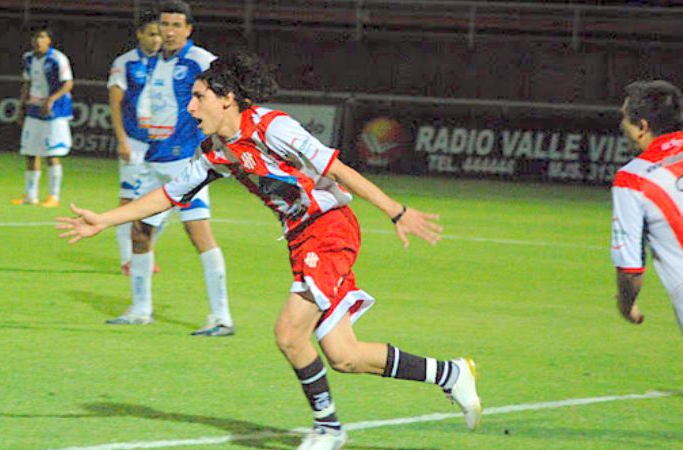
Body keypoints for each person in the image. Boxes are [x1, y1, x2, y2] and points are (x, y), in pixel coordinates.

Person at [57, 52, 482, 450]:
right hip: (301, 240)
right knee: (344, 355)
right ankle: (450, 373)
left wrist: (396, 211)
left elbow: (336, 169)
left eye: (199, 97)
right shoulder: (215, 152)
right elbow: (169, 194)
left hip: (329, 230)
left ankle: (328, 428)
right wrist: (105, 220)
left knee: (289, 334)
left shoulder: (272, 127)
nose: (190, 107)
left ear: (226, 99)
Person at [102, 0, 235, 337]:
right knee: (139, 232)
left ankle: (221, 317)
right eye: (165, 24)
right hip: (154, 159)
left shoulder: (199, 60)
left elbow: (230, 96)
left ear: (188, 29)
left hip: (186, 163)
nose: (170, 31)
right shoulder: (155, 62)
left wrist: (219, 141)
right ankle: (140, 310)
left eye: (177, 25)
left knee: (198, 234)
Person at [611, 79, 683, 334]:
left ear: (642, 127)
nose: (622, 124)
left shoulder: (633, 179)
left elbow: (630, 270)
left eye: (625, 118)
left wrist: (625, 304)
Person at [108, 12, 164, 276]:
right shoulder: (125, 63)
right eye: (151, 34)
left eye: (159, 34)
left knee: (161, 203)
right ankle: (127, 259)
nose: (157, 39)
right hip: (134, 140)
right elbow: (115, 104)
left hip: (161, 145)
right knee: (129, 201)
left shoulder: (168, 62)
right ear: (139, 34)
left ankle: (145, 253)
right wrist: (121, 139)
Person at [11, 25, 74, 208]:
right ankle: (31, 196)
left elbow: (68, 83)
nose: (38, 41)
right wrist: (21, 106)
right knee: (30, 152)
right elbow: (27, 82)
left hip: (56, 111)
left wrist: (51, 99)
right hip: (34, 108)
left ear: (49, 40)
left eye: (42, 37)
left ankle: (54, 196)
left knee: (51, 154)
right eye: (35, 37)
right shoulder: (28, 58)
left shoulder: (57, 58)